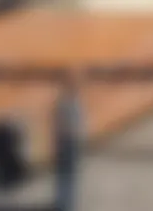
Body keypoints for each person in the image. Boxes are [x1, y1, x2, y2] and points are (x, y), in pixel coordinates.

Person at [55, 68, 83, 211]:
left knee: (68, 174)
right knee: (67, 173)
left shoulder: (69, 101)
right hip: (67, 140)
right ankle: (64, 202)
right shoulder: (67, 102)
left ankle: (65, 201)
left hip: (68, 140)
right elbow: (63, 122)